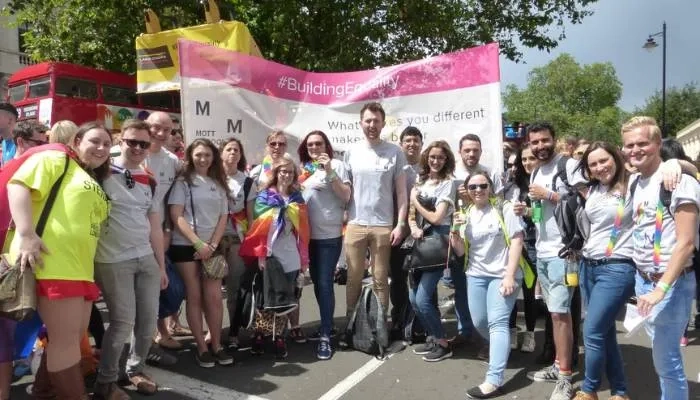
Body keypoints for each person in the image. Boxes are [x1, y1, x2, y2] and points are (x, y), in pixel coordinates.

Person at [8, 122, 111, 399]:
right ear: (77, 140)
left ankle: (43, 390)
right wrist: (27, 234)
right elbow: (18, 186)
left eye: (107, 144)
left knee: (70, 339)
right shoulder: (56, 157)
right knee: (66, 342)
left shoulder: (87, 175)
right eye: (95, 141)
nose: (102, 148)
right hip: (53, 263)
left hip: (80, 269)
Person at [622, 116, 699, 400]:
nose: (635, 150)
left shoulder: (679, 182)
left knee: (666, 362)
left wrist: (660, 289)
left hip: (670, 285)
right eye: (629, 145)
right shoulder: (635, 182)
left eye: (642, 143)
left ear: (658, 143)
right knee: (662, 357)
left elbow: (686, 242)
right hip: (644, 282)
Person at [92, 119, 169, 398]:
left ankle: (135, 369)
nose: (137, 148)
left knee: (148, 322)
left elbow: (154, 223)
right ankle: (106, 382)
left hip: (145, 258)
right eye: (132, 141)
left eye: (143, 144)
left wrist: (161, 266)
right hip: (112, 260)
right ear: (119, 140)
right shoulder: (100, 170)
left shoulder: (148, 177)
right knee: (122, 322)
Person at [517, 122, 585, 400]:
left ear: (554, 140)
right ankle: (559, 366)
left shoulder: (568, 165)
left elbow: (585, 201)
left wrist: (550, 195)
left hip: (563, 251)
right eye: (535, 142)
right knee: (556, 312)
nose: (540, 146)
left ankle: (566, 377)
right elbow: (540, 215)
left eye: (545, 141)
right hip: (543, 250)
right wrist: (526, 211)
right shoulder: (535, 170)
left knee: (560, 314)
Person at [450, 172, 525, 399]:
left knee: (497, 322)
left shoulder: (505, 208)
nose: (478, 190)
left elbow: (517, 239)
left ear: (490, 187)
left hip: (503, 274)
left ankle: (494, 379)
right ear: (467, 191)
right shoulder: (466, 213)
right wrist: (454, 230)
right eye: (472, 187)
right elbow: (461, 250)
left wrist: (510, 275)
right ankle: (501, 346)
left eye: (483, 185)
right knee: (480, 322)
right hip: (475, 275)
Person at [573, 141, 636, 400]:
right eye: (593, 164)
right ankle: (620, 392)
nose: (600, 167)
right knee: (606, 332)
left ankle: (589, 391)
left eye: (604, 160)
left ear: (616, 157)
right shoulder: (594, 189)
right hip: (588, 266)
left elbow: (673, 166)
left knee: (592, 331)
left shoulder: (635, 183)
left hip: (617, 267)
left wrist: (676, 164)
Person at [342, 102, 408, 329]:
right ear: (361, 123)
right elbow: (345, 191)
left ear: (383, 123)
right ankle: (351, 325)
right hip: (355, 223)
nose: (372, 125)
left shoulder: (394, 151)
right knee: (353, 280)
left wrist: (400, 224)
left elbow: (401, 192)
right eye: (368, 121)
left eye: (376, 121)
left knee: (380, 279)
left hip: (382, 226)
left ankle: (380, 327)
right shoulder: (351, 151)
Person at [168, 138, 233, 368]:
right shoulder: (183, 182)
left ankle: (216, 344)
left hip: (211, 248)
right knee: (194, 296)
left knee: (214, 299)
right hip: (186, 246)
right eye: (198, 155)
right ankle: (202, 348)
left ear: (213, 157)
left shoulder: (218, 182)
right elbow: (177, 215)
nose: (203, 159)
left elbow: (223, 217)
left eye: (207, 154)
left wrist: (211, 246)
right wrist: (198, 244)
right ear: (190, 156)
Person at [239, 155, 310, 359]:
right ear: (276, 173)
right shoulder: (265, 198)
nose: (286, 175)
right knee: (266, 296)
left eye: (289, 172)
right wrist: (261, 255)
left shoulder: (297, 199)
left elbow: (302, 231)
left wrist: (303, 260)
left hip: (291, 254)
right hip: (270, 253)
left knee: (287, 296)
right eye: (282, 171)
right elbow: (259, 229)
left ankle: (279, 336)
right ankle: (259, 334)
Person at [297, 131, 350, 359]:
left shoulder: (337, 164)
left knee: (325, 284)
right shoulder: (305, 170)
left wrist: (329, 171)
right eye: (310, 144)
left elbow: (346, 195)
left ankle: (326, 335)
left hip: (328, 236)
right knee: (318, 285)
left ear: (326, 145)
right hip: (307, 237)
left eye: (319, 143)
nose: (315, 147)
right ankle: (327, 324)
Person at [407, 140, 456, 362]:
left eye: (441, 157)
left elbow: (437, 217)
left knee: (423, 298)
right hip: (420, 240)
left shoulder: (448, 183)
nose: (436, 161)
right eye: (433, 156)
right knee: (414, 298)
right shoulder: (421, 181)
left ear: (447, 160)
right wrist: (414, 227)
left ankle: (443, 343)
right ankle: (434, 338)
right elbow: (410, 215)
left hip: (438, 241)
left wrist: (415, 201)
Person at [144, 111, 186, 358]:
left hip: (160, 234)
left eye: (166, 130)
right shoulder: (127, 154)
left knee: (169, 288)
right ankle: (146, 341)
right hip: (129, 235)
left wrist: (168, 229)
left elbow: (172, 200)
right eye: (156, 127)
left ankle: (161, 331)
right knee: (142, 291)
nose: (160, 133)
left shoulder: (171, 160)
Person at [389, 126, 422, 340]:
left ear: (421, 143)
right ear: (401, 144)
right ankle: (399, 318)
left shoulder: (428, 167)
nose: (411, 144)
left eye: (415, 140)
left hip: (422, 232)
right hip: (398, 230)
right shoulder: (395, 167)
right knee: (398, 278)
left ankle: (420, 322)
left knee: (421, 279)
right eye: (407, 140)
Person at [219, 138, 252, 350]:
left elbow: (251, 216)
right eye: (229, 149)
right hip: (211, 241)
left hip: (235, 242)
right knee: (209, 291)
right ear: (221, 153)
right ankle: (212, 331)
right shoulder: (210, 178)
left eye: (237, 150)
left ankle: (233, 331)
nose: (233, 153)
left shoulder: (247, 182)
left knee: (234, 289)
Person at [507, 145, 540, 353]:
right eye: (524, 160)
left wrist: (527, 212)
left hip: (534, 243)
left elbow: (544, 216)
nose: (527, 163)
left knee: (530, 291)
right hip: (512, 242)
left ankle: (529, 333)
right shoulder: (513, 185)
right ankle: (511, 331)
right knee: (509, 289)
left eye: (531, 159)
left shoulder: (541, 184)